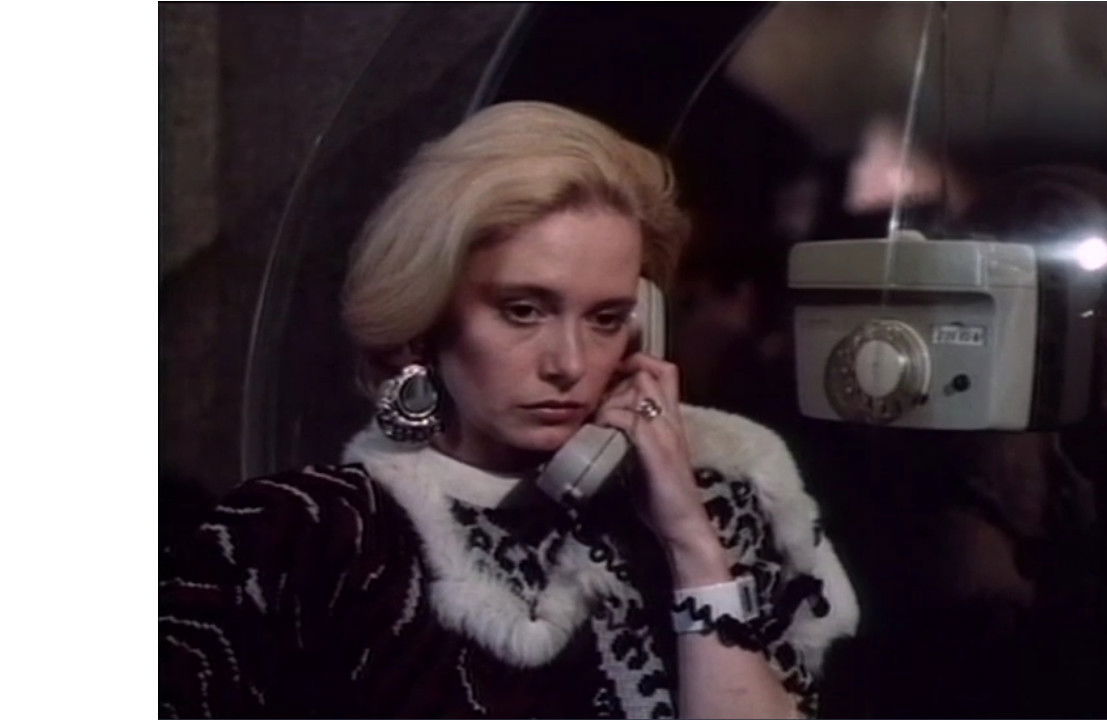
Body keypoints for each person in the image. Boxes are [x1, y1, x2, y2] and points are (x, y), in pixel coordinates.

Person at [160, 101, 859, 719]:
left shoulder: (727, 491)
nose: (570, 363)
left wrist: (689, 540)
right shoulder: (309, 533)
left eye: (606, 318)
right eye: (523, 310)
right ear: (426, 315)